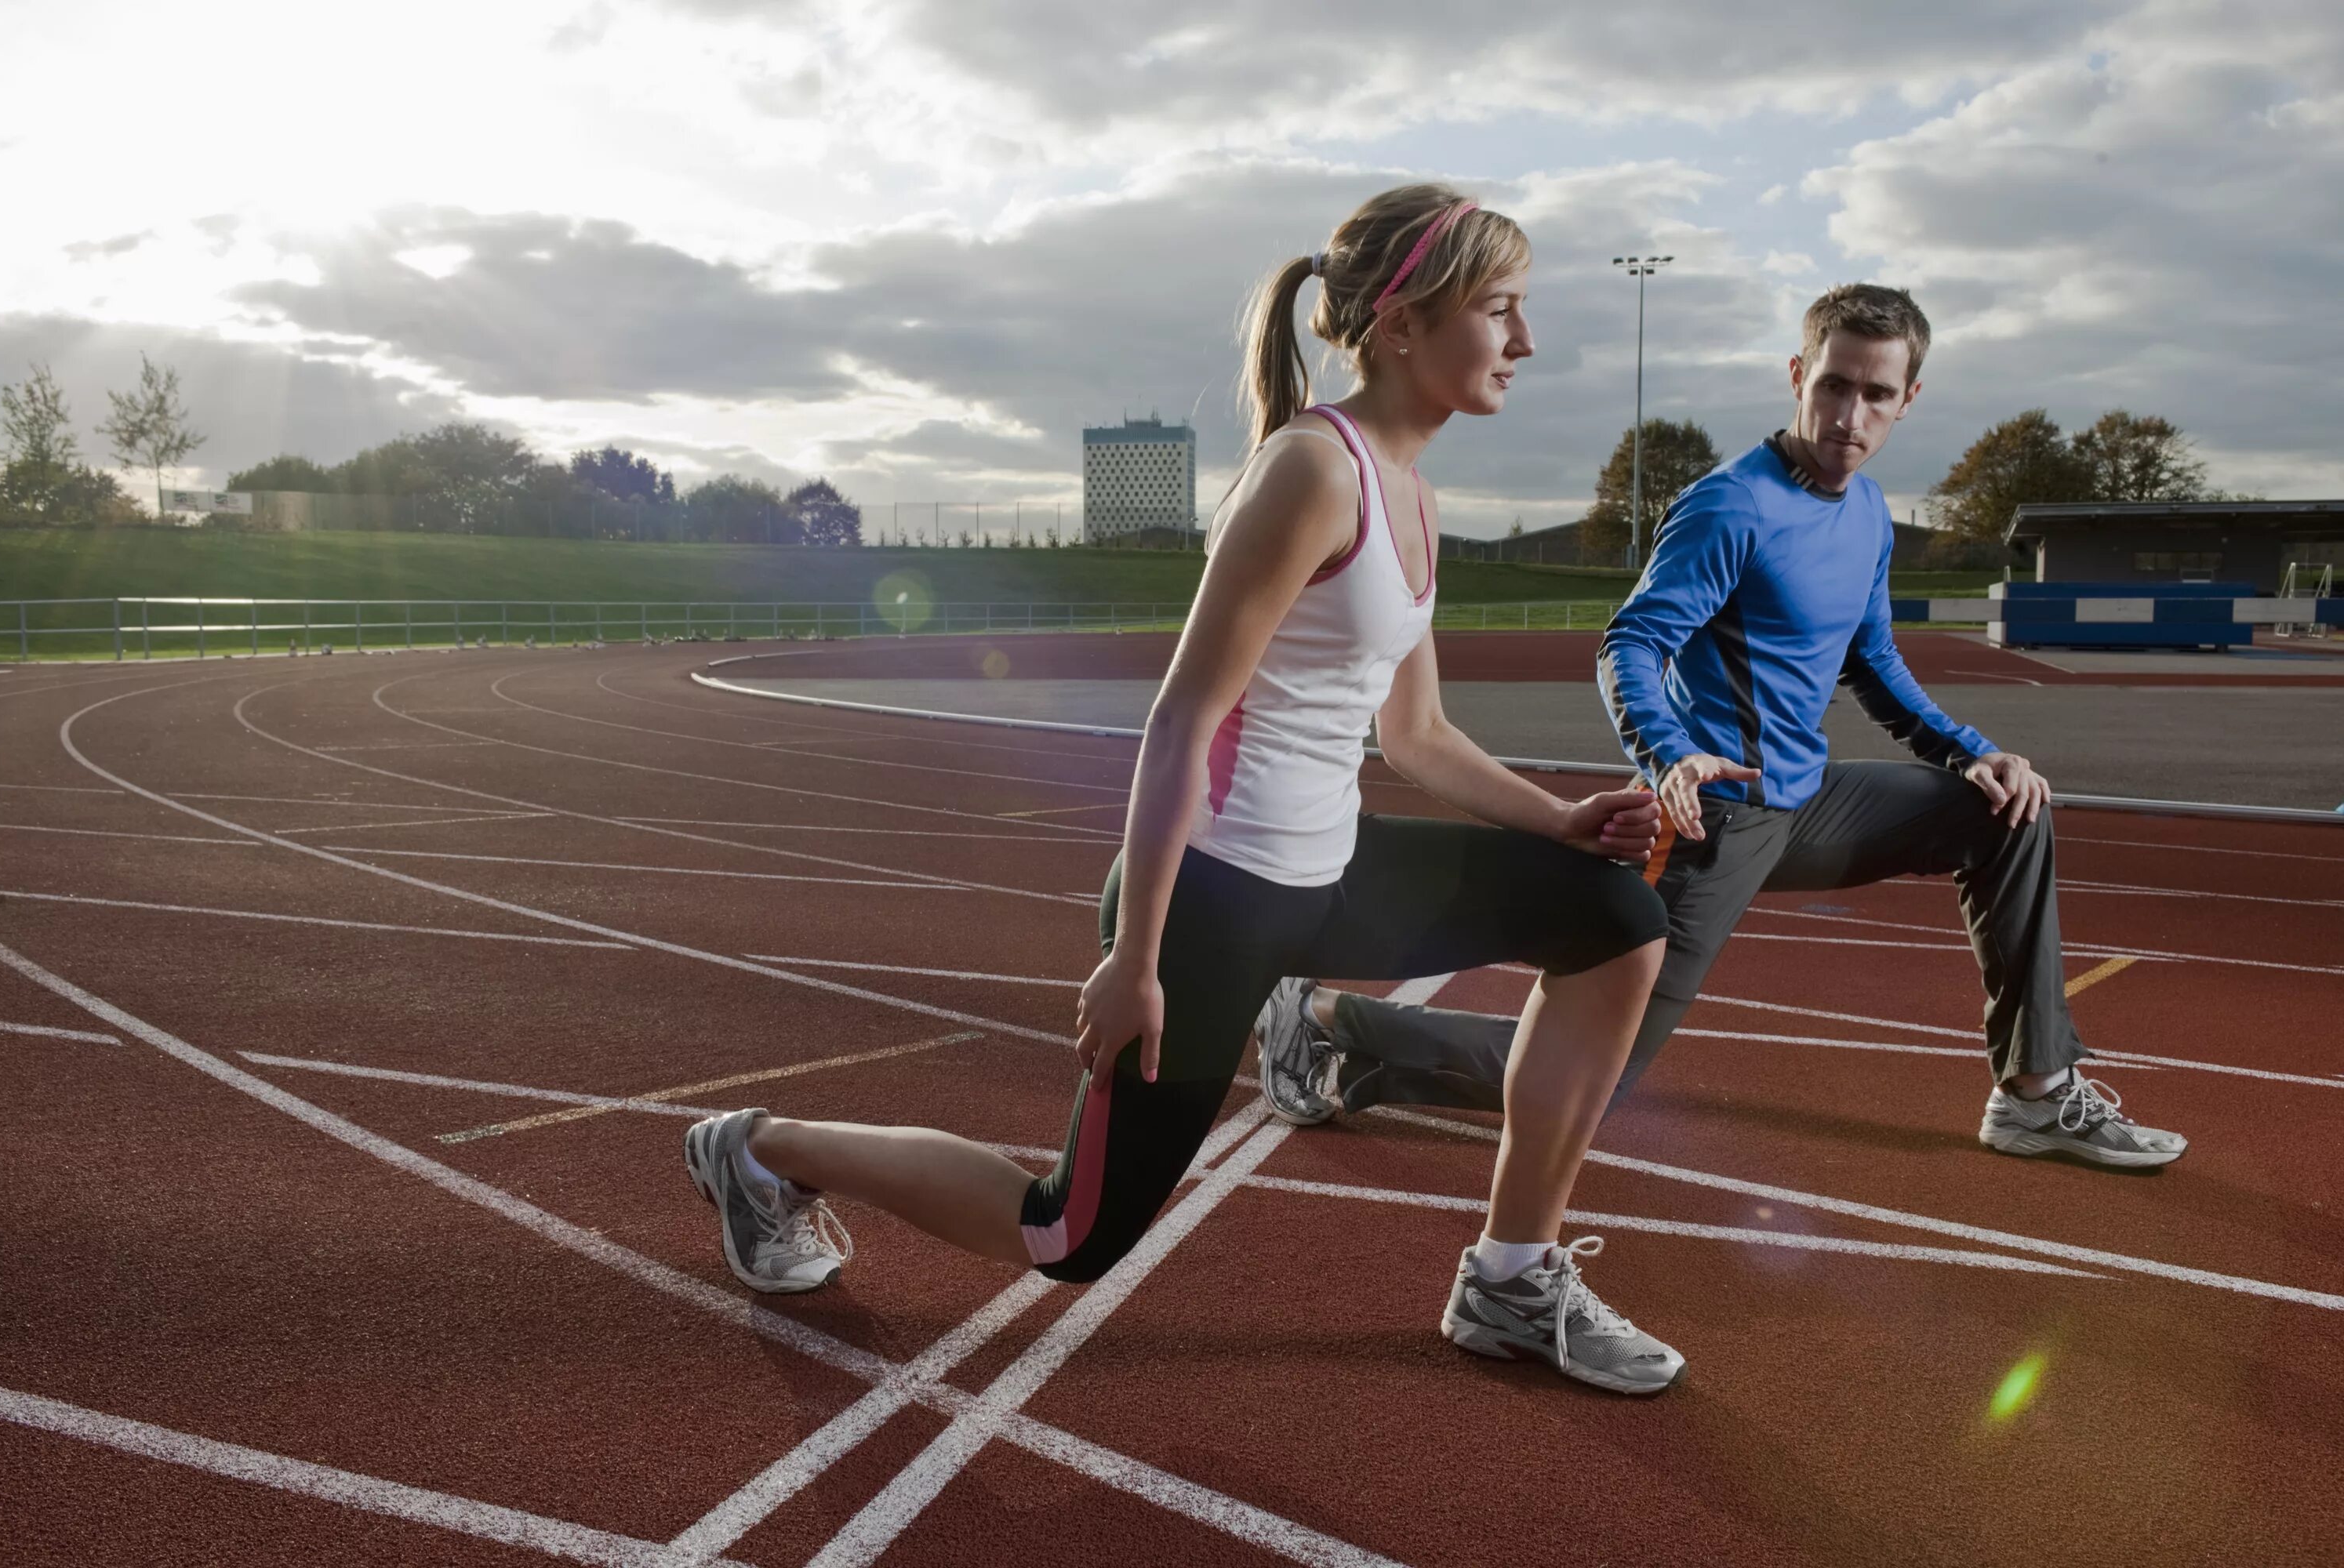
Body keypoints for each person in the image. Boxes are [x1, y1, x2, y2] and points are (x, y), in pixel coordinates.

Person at [684, 184, 1690, 1394]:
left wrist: (1560, 818)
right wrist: (1135, 960)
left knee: (1617, 917)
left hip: (1331, 874)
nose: (1525, 343)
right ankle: (761, 1151)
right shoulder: (1314, 472)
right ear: (1400, 323)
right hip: (1214, 899)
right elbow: (1183, 718)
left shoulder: (1412, 488)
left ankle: (1512, 1277)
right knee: (1069, 1235)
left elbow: (1415, 735)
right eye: (1499, 309)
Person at [1255, 282, 2187, 1171]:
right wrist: (1669, 756)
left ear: (1908, 399)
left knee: (2008, 815)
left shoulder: (1866, 512)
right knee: (1586, 1077)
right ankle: (1329, 1017)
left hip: (1812, 804)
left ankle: (2035, 1090)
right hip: (1718, 818)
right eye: (1832, 386)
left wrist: (1976, 754)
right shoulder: (1730, 503)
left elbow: (1877, 664)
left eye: (1875, 395)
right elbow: (1630, 641)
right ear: (1797, 376)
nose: (1847, 417)